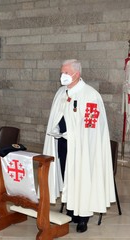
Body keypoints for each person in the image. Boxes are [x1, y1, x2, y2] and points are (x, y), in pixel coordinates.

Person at [43, 59, 116, 233]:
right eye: (62, 72)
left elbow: (91, 126)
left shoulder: (90, 95)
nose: (63, 76)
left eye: (66, 73)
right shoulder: (61, 92)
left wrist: (73, 135)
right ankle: (71, 210)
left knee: (81, 178)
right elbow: (57, 116)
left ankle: (83, 217)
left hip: (83, 148)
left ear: (77, 74)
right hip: (61, 142)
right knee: (67, 176)